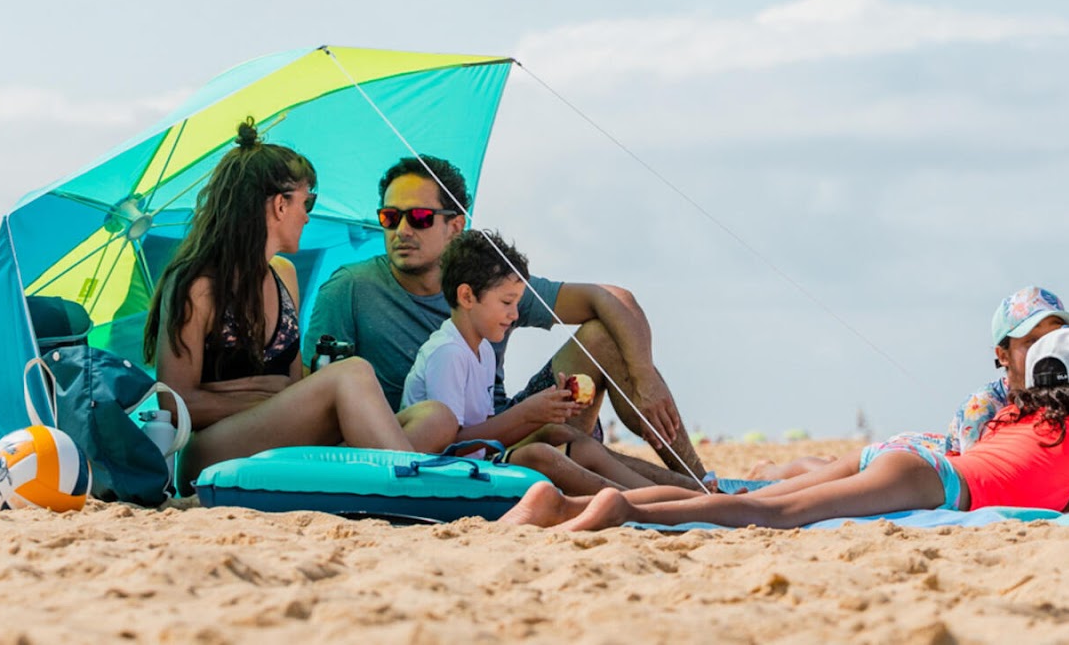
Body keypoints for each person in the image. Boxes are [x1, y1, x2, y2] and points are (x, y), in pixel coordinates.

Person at [502, 329, 1069, 531]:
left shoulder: (1016, 413)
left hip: (921, 462)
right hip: (932, 480)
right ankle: (622, 510)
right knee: (775, 515)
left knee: (762, 498)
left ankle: (601, 501)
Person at [307, 155, 706, 487]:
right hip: (433, 444)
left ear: (455, 226)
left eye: (421, 217)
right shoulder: (350, 289)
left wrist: (644, 377)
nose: (402, 230)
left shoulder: (487, 283)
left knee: (602, 337)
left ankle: (695, 479)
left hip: (500, 426)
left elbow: (613, 298)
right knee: (563, 446)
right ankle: (668, 496)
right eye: (390, 217)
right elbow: (317, 392)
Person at [143, 120, 458, 485]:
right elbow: (174, 404)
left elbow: (291, 389)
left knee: (437, 417)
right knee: (353, 372)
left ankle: (358, 480)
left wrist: (275, 394)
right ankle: (405, 486)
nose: (308, 215)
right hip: (212, 451)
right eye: (306, 202)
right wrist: (268, 395)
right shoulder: (197, 285)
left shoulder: (284, 275)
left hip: (280, 442)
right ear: (280, 205)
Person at [746, 286, 1069, 504]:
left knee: (834, 469)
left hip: (939, 450)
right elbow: (987, 480)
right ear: (1001, 355)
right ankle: (774, 471)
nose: (1044, 349)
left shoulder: (1066, 399)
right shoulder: (984, 406)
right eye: (1031, 341)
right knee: (834, 476)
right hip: (924, 458)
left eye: (1051, 339)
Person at [401, 230, 661, 494]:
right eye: (506, 302)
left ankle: (668, 494)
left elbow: (488, 435)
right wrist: (527, 413)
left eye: (517, 303)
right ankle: (640, 502)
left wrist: (545, 414)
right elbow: (450, 445)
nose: (514, 315)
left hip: (474, 465)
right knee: (540, 455)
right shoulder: (448, 353)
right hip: (445, 472)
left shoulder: (484, 351)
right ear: (467, 297)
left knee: (563, 434)